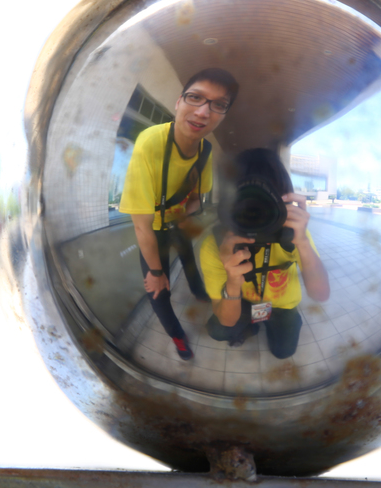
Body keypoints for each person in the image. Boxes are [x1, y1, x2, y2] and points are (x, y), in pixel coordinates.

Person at [118, 68, 239, 360]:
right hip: (153, 229)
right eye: (195, 98)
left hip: (177, 223)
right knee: (157, 290)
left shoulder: (205, 151)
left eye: (218, 105)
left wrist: (184, 215)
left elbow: (197, 197)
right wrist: (157, 272)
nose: (202, 112)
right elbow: (141, 226)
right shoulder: (151, 142)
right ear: (178, 102)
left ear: (223, 115)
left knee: (188, 258)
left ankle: (199, 292)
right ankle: (178, 337)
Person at [201, 149, 330, 360]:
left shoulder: (293, 235)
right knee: (219, 329)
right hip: (244, 301)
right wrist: (232, 281)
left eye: (266, 202)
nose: (257, 213)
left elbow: (321, 294)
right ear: (228, 204)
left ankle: (271, 323)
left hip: (282, 306)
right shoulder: (217, 244)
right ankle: (252, 324)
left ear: (284, 202)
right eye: (248, 204)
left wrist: (303, 243)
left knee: (283, 352)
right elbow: (226, 320)